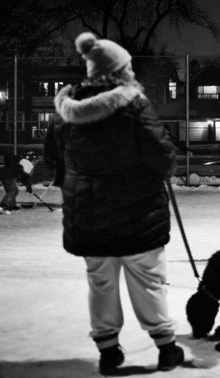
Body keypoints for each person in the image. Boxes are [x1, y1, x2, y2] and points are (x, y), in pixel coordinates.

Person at [43, 32, 184, 374]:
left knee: (100, 281)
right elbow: (162, 156)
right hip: (139, 214)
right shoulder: (134, 105)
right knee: (148, 278)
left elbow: (53, 160)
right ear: (121, 70)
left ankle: (108, 350)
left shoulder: (65, 112)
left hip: (89, 215)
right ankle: (165, 347)